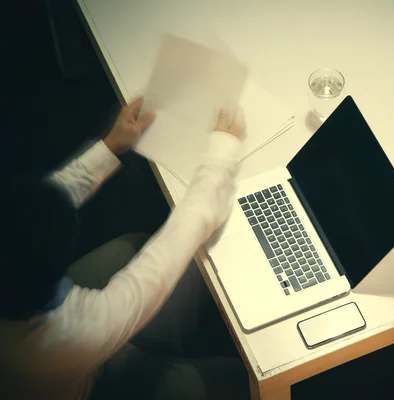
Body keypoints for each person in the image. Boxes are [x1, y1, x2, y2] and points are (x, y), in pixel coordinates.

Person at [0, 98, 249, 399]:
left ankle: (160, 340)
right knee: (233, 380)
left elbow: (37, 206)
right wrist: (222, 154)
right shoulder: (68, 338)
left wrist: (110, 146)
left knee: (131, 248)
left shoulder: (14, 267)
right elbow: (159, 263)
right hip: (79, 382)